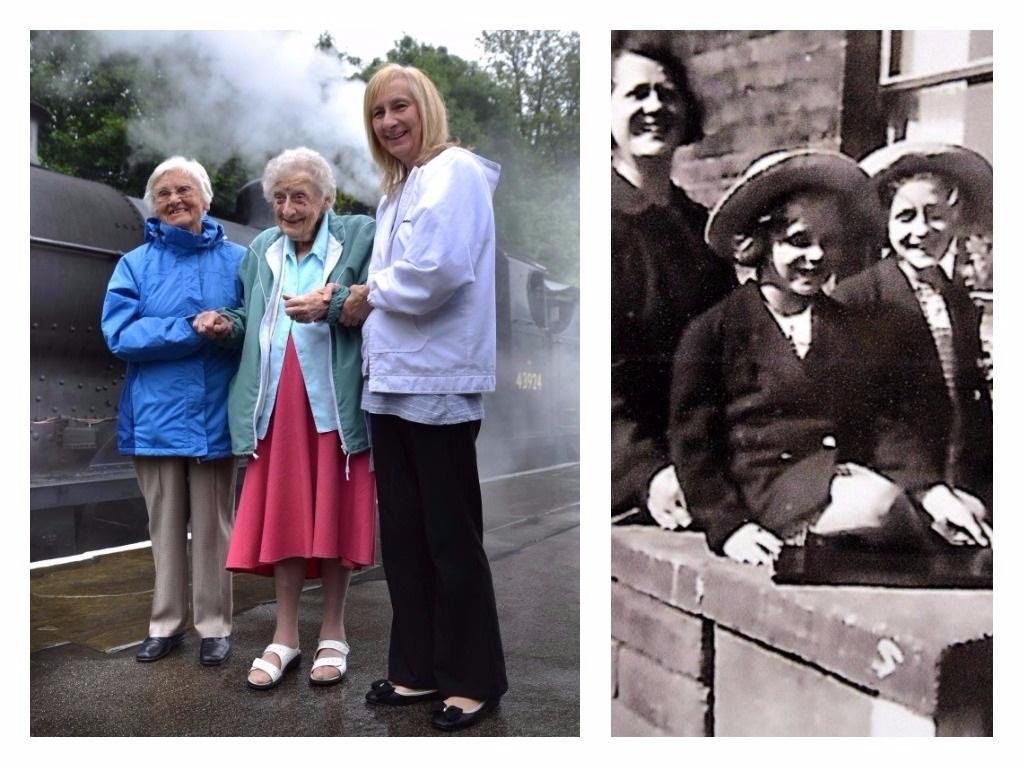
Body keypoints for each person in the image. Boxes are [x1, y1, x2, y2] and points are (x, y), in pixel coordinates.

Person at [669, 149, 949, 566]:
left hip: (841, 476)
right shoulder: (715, 332)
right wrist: (729, 529)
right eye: (799, 241)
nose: (816, 256)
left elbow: (881, 426)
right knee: (881, 506)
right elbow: (695, 449)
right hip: (766, 490)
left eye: (829, 242)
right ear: (760, 244)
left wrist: (931, 490)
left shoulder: (848, 327)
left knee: (954, 516)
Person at [341, 63, 507, 732]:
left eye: (400, 107)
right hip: (391, 384)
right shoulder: (399, 189)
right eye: (379, 113)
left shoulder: (454, 171)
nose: (390, 122)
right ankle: (417, 669)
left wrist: (364, 295)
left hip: (435, 380)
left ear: (426, 109)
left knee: (450, 538)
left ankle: (473, 678)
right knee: (405, 538)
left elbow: (437, 270)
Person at [193, 147, 376, 689]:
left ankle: (334, 632)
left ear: (326, 198)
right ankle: (286, 635)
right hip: (275, 404)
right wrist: (226, 323)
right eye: (279, 197)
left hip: (335, 403)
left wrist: (335, 300)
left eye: (300, 195)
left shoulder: (360, 235)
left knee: (336, 519)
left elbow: (378, 301)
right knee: (286, 518)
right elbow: (253, 315)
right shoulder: (262, 249)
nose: (288, 207)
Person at [101, 156, 244, 665]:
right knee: (163, 528)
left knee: (214, 527)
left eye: (184, 190)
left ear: (206, 199)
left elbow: (255, 324)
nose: (174, 200)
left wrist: (230, 326)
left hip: (214, 414)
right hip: (155, 418)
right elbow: (119, 334)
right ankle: (164, 624)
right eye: (163, 193)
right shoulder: (134, 265)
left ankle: (214, 626)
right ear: (153, 205)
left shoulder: (240, 261)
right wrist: (190, 328)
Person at [833, 141, 993, 544]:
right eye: (905, 216)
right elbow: (863, 412)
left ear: (954, 219)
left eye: (935, 216)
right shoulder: (859, 299)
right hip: (888, 477)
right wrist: (927, 488)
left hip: (952, 472)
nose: (921, 231)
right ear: (884, 224)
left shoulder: (957, 300)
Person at [610, 36, 735, 529]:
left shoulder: (704, 232)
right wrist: (647, 472)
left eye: (668, 93)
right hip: (624, 479)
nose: (655, 107)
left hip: (698, 468)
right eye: (636, 94)